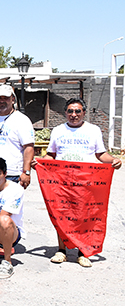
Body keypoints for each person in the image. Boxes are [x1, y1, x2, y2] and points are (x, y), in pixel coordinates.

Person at [42, 98, 122, 267]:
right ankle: (61, 250)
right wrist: (41, 162)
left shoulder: (93, 130)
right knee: (60, 213)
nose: (74, 115)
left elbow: (101, 155)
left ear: (84, 113)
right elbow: (51, 155)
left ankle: (82, 251)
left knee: (85, 216)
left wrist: (113, 160)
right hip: (62, 182)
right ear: (65, 113)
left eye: (78, 111)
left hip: (86, 182)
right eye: (70, 111)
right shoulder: (57, 130)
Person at [0, 84, 35, 189]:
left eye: (5, 98)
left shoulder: (22, 120)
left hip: (12, 174)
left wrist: (26, 172)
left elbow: (29, 147)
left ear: (13, 99)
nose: (2, 101)